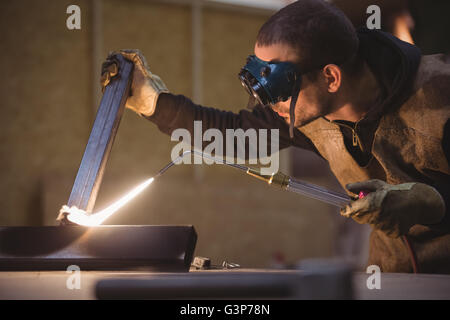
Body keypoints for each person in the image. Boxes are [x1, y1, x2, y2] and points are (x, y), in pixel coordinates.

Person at [100, 0, 450, 273]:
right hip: (392, 278)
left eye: (279, 87)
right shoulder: (304, 112)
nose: (270, 103)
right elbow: (235, 136)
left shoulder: (440, 95)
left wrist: (432, 201)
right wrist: (155, 104)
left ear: (331, 78)